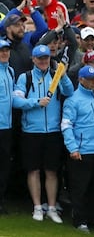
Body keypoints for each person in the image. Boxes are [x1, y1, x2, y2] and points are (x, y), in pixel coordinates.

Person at [12, 44, 75, 223]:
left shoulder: (56, 75)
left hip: (53, 132)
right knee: (33, 170)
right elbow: (16, 101)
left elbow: (69, 92)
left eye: (46, 58)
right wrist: (35, 102)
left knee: (52, 171)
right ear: (33, 60)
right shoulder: (26, 77)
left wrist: (63, 77)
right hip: (31, 132)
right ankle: (37, 207)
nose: (43, 61)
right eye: (40, 59)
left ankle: (52, 207)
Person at [60, 65, 94, 234]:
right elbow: (66, 125)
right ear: (81, 80)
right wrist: (73, 148)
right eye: (90, 79)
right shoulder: (73, 99)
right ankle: (80, 221)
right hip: (82, 151)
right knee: (81, 188)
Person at [0, 39, 13, 214]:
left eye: (6, 50)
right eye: (1, 50)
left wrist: (32, 103)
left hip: (7, 126)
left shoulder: (10, 70)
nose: (4, 53)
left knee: (3, 167)